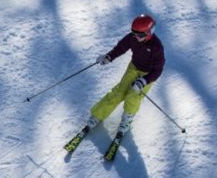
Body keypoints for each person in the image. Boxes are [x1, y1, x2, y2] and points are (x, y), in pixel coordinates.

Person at [70, 14, 166, 145]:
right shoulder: (132, 38)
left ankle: (126, 120)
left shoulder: (156, 47)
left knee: (133, 96)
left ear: (149, 32)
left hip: (147, 75)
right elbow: (121, 48)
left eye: (140, 35)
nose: (137, 37)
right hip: (133, 68)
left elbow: (158, 69)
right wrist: (108, 57)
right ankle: (97, 115)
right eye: (134, 33)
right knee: (119, 91)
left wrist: (144, 81)